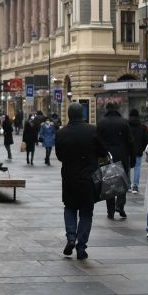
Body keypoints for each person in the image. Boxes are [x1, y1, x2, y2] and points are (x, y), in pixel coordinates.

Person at [55, 103, 106, 260]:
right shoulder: (92, 130)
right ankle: (81, 246)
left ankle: (71, 237)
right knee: (86, 211)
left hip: (69, 177)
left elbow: (59, 156)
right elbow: (103, 151)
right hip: (88, 178)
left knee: (69, 207)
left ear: (69, 115)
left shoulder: (62, 133)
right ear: (82, 114)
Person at [96, 103, 133, 221]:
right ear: (117, 109)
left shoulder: (101, 122)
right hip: (122, 155)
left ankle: (110, 211)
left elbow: (96, 140)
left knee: (109, 183)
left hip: (107, 156)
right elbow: (130, 140)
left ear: (107, 109)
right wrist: (132, 157)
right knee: (123, 181)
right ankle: (120, 205)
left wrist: (99, 155)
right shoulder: (124, 122)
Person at [128, 109, 148, 193]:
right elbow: (146, 139)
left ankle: (128, 186)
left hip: (128, 151)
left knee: (128, 169)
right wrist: (142, 148)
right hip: (138, 151)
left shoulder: (126, 125)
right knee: (137, 168)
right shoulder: (143, 127)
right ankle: (135, 187)